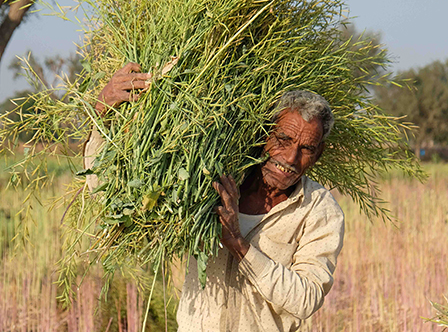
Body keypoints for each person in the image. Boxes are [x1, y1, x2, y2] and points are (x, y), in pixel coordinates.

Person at [84, 62, 345, 332]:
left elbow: (306, 299)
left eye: (306, 149)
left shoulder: (318, 210)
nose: (290, 158)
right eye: (283, 139)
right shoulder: (211, 176)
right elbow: (109, 193)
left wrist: (240, 246)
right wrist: (102, 110)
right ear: (263, 132)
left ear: (318, 154)